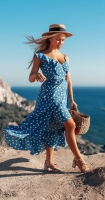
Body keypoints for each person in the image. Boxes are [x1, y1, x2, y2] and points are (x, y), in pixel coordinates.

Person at [3, 24, 91, 173]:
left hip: (62, 97)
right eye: (58, 39)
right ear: (50, 38)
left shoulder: (65, 57)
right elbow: (30, 77)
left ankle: (49, 162)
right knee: (70, 125)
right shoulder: (40, 55)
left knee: (53, 128)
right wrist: (36, 75)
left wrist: (72, 99)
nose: (61, 42)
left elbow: (68, 80)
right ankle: (79, 160)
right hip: (49, 96)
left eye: (63, 40)